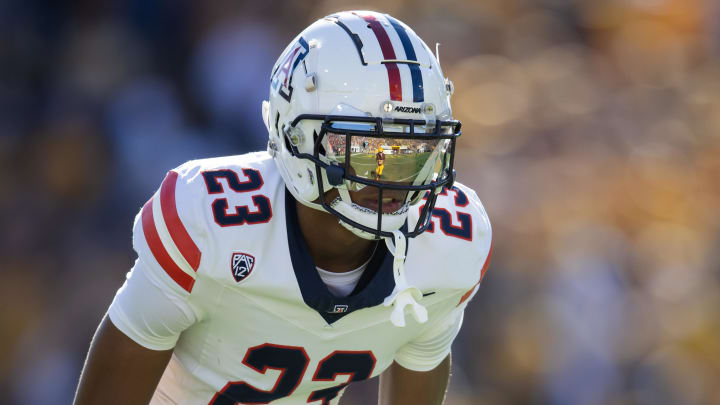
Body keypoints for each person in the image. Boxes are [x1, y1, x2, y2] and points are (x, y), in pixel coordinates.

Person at [74, 10, 492, 405]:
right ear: (294, 135)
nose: (393, 178)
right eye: (366, 150)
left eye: (412, 152)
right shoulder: (209, 222)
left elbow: (423, 359)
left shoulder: (451, 244)